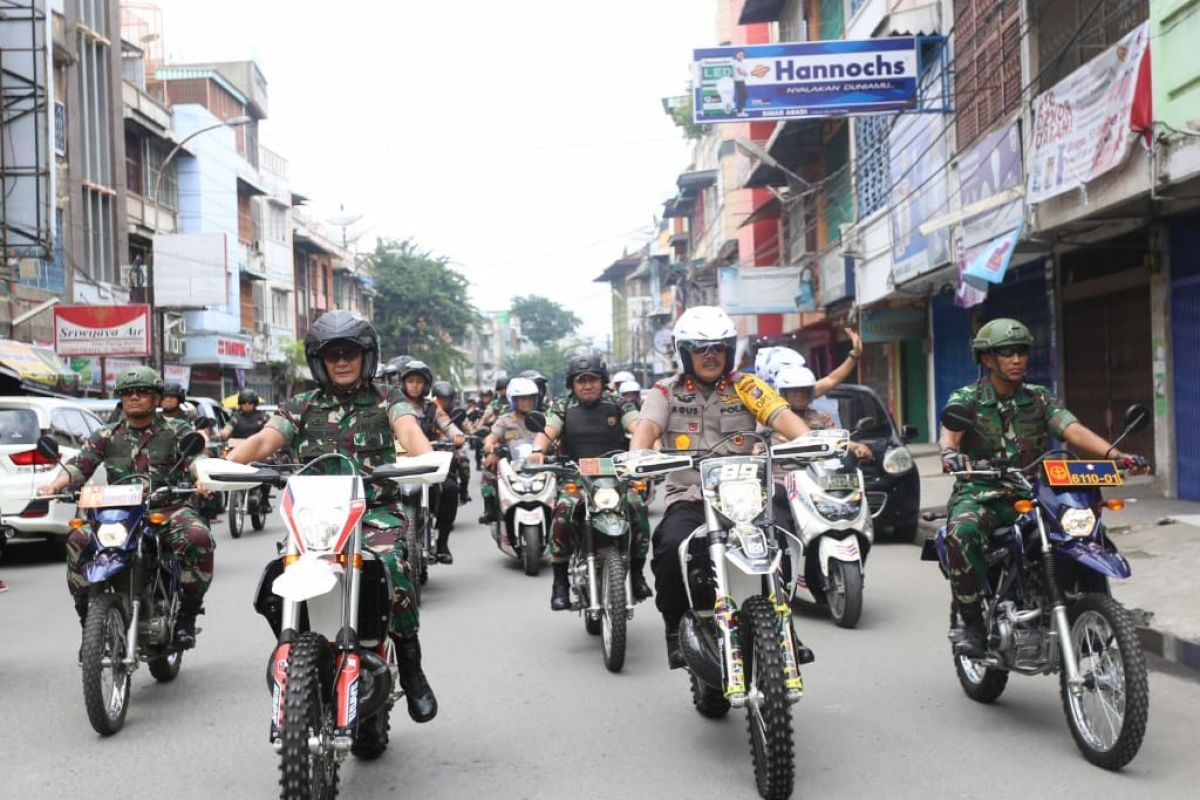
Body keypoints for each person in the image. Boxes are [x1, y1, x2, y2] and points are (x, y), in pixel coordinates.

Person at [225, 310, 438, 724]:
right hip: (314, 519)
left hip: (374, 512)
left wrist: (427, 458)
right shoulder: (302, 405)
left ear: (366, 357)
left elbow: (409, 431)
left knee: (392, 567)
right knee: (276, 580)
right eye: (332, 354)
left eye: (350, 353)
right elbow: (265, 440)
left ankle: (412, 670)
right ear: (319, 361)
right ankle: (300, 658)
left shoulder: (386, 400)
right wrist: (226, 462)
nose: (341, 361)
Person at [939, 318, 1148, 657]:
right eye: (1007, 353)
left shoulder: (1038, 398)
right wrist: (950, 454)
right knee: (962, 532)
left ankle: (1084, 604)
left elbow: (1072, 430)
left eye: (1022, 351)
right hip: (983, 492)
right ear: (988, 359)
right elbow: (950, 433)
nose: (1017, 359)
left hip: (1033, 491)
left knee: (1084, 527)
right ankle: (973, 622)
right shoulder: (968, 398)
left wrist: (1117, 454)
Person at [628, 306, 813, 673]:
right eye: (700, 348)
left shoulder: (746, 386)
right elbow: (646, 430)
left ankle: (785, 626)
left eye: (717, 347)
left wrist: (811, 441)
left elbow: (782, 417)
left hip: (745, 498)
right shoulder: (666, 391)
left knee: (783, 541)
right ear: (685, 353)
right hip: (692, 498)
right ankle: (674, 630)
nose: (710, 355)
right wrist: (637, 458)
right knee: (667, 548)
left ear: (728, 350)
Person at [40, 366, 215, 649]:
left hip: (167, 510)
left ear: (157, 398)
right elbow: (79, 465)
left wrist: (202, 477)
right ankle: (89, 623)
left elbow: (197, 457)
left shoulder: (176, 429)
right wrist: (55, 485)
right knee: (77, 540)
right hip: (117, 514)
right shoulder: (106, 435)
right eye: (128, 393)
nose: (134, 397)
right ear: (120, 399)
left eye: (142, 392)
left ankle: (187, 615)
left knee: (198, 536)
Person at [528, 354, 652, 609]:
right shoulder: (563, 406)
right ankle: (560, 582)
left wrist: (652, 448)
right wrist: (538, 450)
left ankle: (638, 573)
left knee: (637, 506)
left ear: (602, 381)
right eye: (581, 380)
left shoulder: (619, 403)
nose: (587, 385)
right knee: (563, 511)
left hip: (617, 479)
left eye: (592, 379)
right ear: (572, 384)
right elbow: (547, 430)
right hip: (576, 479)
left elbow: (639, 426)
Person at [402, 366, 465, 565]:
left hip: (428, 462)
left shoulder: (432, 408)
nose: (414, 385)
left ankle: (443, 544)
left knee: (450, 489)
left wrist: (456, 436)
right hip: (400, 462)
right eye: (410, 381)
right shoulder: (394, 406)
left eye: (418, 381)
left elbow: (448, 425)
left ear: (426, 385)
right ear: (403, 384)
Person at [772, 365, 873, 462]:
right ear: (783, 393)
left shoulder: (820, 418)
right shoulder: (772, 418)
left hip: (817, 472)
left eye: (804, 390)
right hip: (782, 475)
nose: (800, 394)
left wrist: (856, 447)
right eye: (794, 390)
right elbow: (758, 445)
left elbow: (835, 439)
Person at [478, 376, 540, 531]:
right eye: (523, 399)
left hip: (540, 464)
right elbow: (490, 439)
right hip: (512, 465)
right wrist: (491, 450)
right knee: (488, 470)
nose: (527, 402)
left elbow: (553, 438)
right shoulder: (504, 421)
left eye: (530, 398)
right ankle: (490, 508)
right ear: (513, 400)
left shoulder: (542, 419)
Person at [431, 380, 471, 509]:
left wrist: (465, 435)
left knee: (464, 461)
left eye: (447, 399)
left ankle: (464, 490)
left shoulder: (457, 411)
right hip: (430, 448)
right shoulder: (429, 410)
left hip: (452, 447)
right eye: (441, 399)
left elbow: (465, 426)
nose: (444, 402)